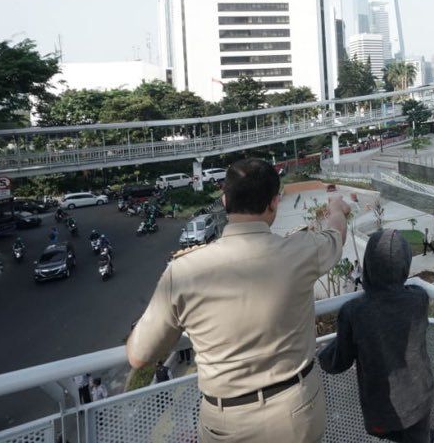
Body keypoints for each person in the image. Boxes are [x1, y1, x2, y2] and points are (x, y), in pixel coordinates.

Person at [126, 157, 349, 443]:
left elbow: (139, 356)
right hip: (297, 411)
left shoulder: (183, 272)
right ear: (274, 203)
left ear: (224, 200)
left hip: (227, 424)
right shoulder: (301, 251)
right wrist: (336, 207)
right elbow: (336, 233)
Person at [319, 230, 434, 443]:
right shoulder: (418, 299)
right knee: (414, 435)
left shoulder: (354, 312)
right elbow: (400, 296)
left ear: (369, 266)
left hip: (383, 408)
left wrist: (319, 353)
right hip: (420, 397)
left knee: (402, 435)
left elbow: (337, 362)